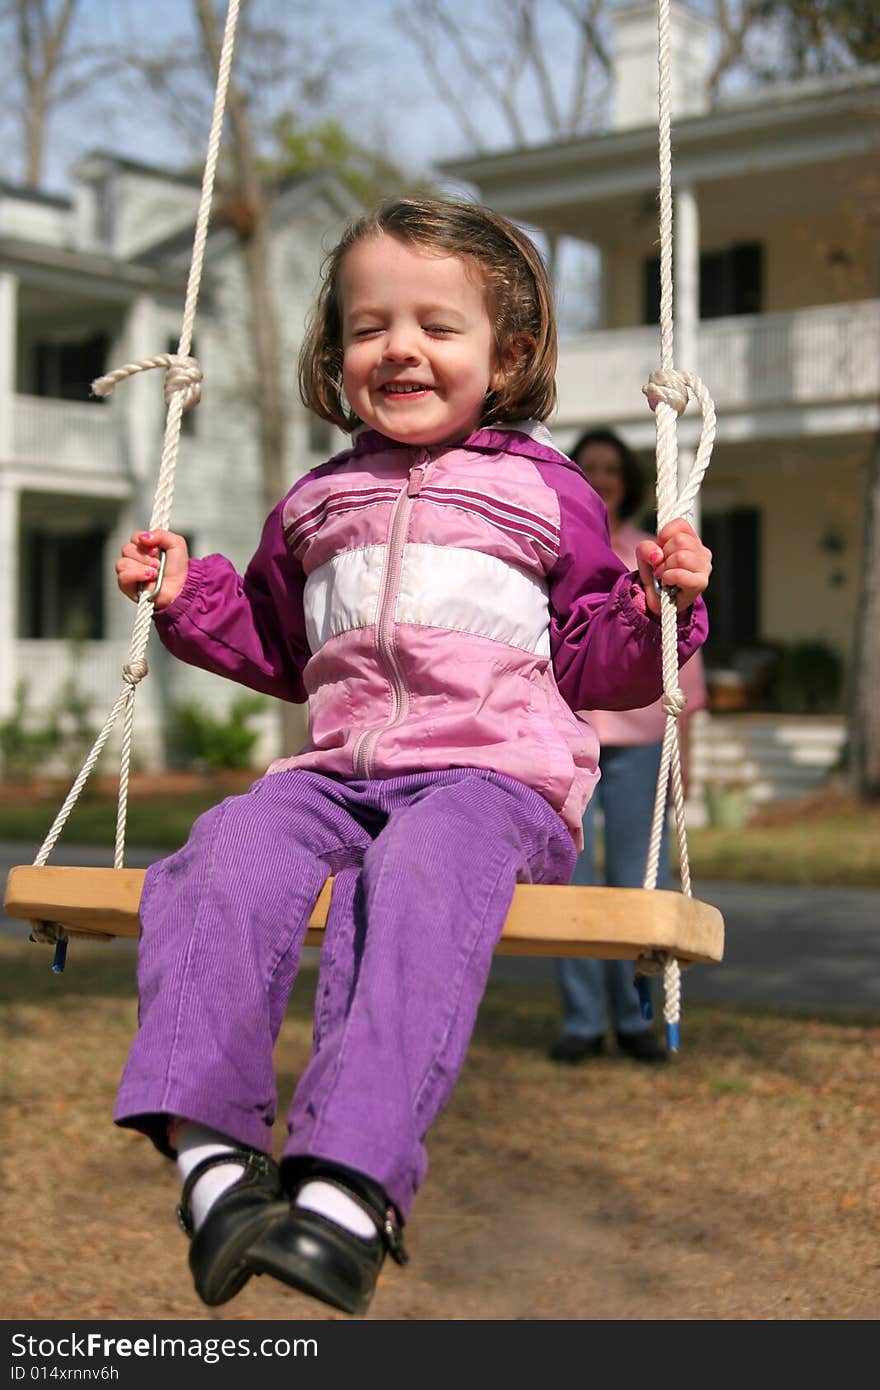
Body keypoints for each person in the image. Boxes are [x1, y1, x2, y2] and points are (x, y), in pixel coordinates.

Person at [113, 198, 712, 1318]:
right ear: (334, 353)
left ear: (509, 353)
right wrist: (187, 593)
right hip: (337, 776)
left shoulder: (549, 495)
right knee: (222, 847)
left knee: (420, 875)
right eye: (369, 325)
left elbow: (597, 662)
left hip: (491, 781)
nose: (400, 349)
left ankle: (346, 1188)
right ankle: (213, 1169)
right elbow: (282, 646)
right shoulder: (315, 503)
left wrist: (660, 609)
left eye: (438, 326)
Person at [548, 428, 709, 1066]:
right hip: (568, 740)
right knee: (571, 884)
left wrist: (683, 764)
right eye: (589, 467)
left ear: (628, 479)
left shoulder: (653, 548)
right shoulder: (557, 548)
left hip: (642, 739)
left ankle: (636, 1018)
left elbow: (684, 669)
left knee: (636, 882)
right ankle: (584, 1021)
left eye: (612, 468)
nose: (602, 477)